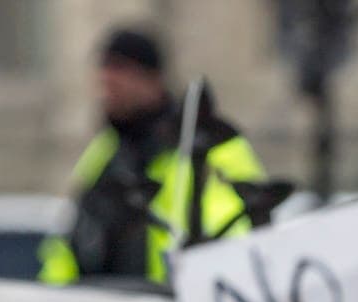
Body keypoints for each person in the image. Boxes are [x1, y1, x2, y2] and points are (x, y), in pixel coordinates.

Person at [39, 27, 265, 283]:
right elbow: (70, 242)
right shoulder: (104, 152)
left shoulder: (210, 145)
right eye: (104, 78)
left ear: (151, 79)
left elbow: (239, 231)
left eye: (119, 75)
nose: (107, 89)